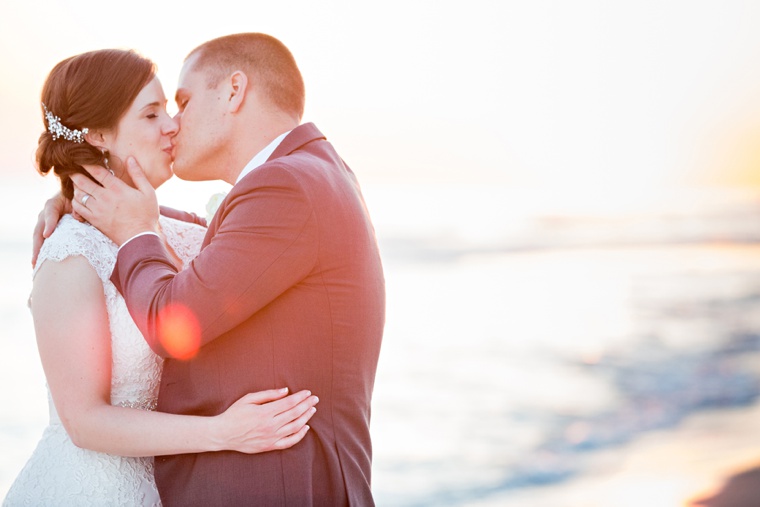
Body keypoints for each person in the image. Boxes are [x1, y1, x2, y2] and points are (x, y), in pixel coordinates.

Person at [62, 33, 386, 506]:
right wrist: (83, 200)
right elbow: (223, 239)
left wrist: (134, 232)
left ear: (234, 91)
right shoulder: (310, 172)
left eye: (184, 102)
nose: (174, 124)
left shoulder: (285, 185)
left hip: (274, 487)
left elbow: (172, 325)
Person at [6, 49, 318, 507]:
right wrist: (223, 432)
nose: (172, 124)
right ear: (97, 135)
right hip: (93, 492)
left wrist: (69, 197)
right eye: (152, 114)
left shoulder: (178, 229)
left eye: (168, 110)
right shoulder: (69, 256)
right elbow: (84, 421)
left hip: (172, 486)